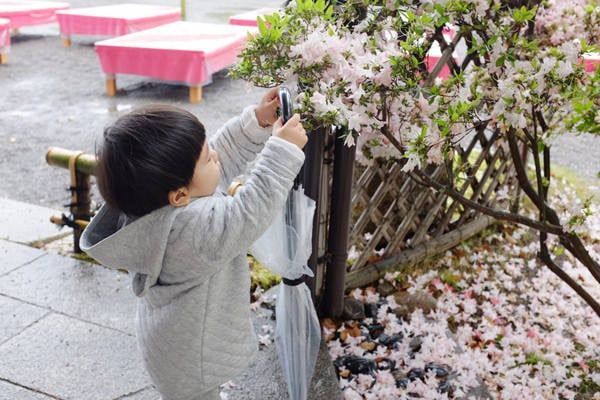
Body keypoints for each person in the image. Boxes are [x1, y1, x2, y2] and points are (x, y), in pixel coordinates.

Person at [80, 87, 307, 400]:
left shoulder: (155, 205)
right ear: (179, 195)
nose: (215, 155)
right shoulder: (192, 232)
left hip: (172, 343)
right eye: (206, 158)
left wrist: (256, 122)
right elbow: (250, 211)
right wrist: (282, 151)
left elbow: (220, 156)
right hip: (191, 358)